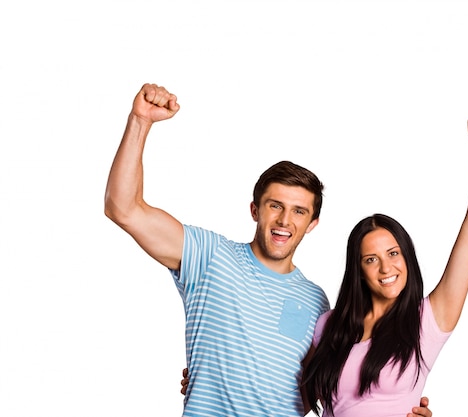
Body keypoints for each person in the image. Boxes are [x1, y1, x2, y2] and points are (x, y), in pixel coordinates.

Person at [104, 83, 434, 417]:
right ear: (255, 210)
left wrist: (401, 407)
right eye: (275, 206)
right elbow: (124, 208)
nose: (284, 221)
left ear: (312, 224)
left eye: (299, 211)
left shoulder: (317, 302)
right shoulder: (208, 255)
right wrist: (140, 121)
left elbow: (315, 392)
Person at [301, 115, 468, 416]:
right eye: (371, 259)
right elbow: (298, 402)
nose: (386, 268)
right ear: (358, 270)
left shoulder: (427, 321)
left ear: (407, 257)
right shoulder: (328, 326)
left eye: (394, 253)